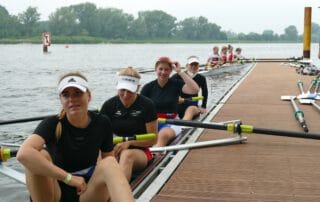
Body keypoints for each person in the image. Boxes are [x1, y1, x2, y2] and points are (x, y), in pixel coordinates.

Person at [17, 72, 134, 202]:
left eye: (77, 93)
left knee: (110, 163)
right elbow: (23, 154)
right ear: (61, 100)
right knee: (37, 154)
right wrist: (68, 178)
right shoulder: (52, 123)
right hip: (55, 193)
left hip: (86, 191)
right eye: (66, 95)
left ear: (89, 96)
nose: (71, 99)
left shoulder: (102, 122)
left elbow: (109, 164)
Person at [100, 67, 157, 182]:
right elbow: (99, 136)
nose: (125, 95)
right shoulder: (109, 105)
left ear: (138, 88)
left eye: (130, 91)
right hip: (115, 148)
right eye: (122, 90)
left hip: (141, 152)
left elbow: (153, 140)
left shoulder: (147, 105)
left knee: (126, 154)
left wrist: (129, 142)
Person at [140, 57, 199, 147]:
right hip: (153, 122)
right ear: (156, 69)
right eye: (160, 69)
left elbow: (194, 90)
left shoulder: (176, 84)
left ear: (171, 71)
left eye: (166, 70)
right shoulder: (148, 87)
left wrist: (180, 71)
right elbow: (140, 108)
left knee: (163, 135)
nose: (163, 72)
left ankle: (156, 154)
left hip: (172, 122)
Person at [172, 56, 208, 120]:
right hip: (179, 103)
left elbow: (205, 92)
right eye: (191, 64)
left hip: (192, 103)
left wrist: (203, 106)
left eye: (196, 64)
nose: (194, 66)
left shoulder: (201, 78)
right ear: (187, 66)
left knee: (191, 110)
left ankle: (183, 125)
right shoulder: (176, 76)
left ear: (198, 66)